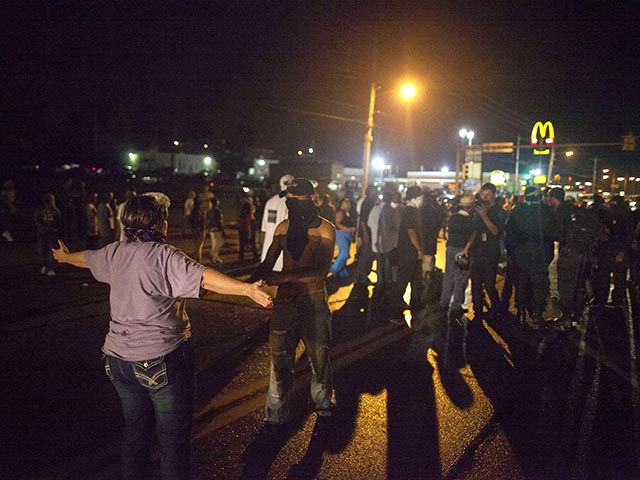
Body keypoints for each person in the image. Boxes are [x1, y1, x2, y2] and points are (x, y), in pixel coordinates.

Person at [52, 192, 272, 480]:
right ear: (158, 224)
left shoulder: (114, 253)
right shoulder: (164, 256)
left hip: (117, 361)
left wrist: (65, 257)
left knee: (135, 432)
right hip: (159, 359)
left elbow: (87, 259)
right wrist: (247, 289)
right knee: (172, 442)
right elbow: (204, 277)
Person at [249, 178, 336, 433]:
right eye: (289, 199)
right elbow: (267, 263)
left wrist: (282, 278)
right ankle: (275, 415)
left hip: (313, 301)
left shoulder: (325, 229)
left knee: (319, 356)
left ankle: (322, 405)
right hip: (285, 303)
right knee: (279, 360)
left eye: (297, 199)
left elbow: (320, 272)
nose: (292, 203)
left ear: (311, 198)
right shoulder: (283, 227)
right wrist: (246, 283)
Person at [504, 187, 554, 328]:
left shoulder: (517, 211)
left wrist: (511, 253)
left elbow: (510, 235)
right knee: (538, 285)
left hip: (521, 254)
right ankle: (536, 314)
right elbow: (552, 234)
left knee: (522, 283)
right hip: (540, 253)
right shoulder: (545, 212)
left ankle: (521, 312)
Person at [467, 183, 507, 325]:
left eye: (488, 195)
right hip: (477, 250)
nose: (485, 197)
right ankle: (478, 311)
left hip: (491, 251)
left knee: (489, 283)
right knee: (476, 282)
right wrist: (467, 247)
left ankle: (497, 308)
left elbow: (495, 231)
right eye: (483, 194)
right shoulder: (478, 209)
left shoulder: (499, 212)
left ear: (494, 195)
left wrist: (484, 215)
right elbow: (474, 231)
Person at [388, 185, 424, 314]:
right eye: (420, 197)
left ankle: (415, 301)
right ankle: (396, 301)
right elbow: (411, 231)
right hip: (409, 251)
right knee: (404, 276)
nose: (422, 199)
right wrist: (419, 249)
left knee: (416, 277)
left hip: (410, 250)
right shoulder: (410, 211)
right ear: (415, 198)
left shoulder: (412, 210)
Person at [439, 195, 475, 318]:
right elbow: (473, 236)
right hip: (462, 251)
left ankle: (444, 302)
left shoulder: (453, 218)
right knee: (461, 278)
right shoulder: (470, 221)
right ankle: (456, 305)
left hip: (450, 249)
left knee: (448, 276)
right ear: (469, 207)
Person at [261, 174, 294, 271]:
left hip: (269, 245)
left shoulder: (270, 202)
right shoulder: (291, 203)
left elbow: (264, 228)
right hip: (282, 248)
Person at [354, 185, 378, 284]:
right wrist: (366, 234)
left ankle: (361, 276)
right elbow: (363, 220)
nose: (375, 193)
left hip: (369, 232)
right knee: (366, 256)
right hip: (367, 233)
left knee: (367, 255)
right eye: (374, 191)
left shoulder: (371, 202)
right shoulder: (367, 203)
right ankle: (362, 277)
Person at [35, 192, 61, 276]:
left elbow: (58, 222)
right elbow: (37, 220)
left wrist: (55, 229)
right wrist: (41, 228)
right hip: (42, 233)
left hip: (52, 234)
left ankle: (51, 268)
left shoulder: (55, 210)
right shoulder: (40, 210)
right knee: (42, 250)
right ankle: (45, 265)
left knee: (51, 251)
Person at [330, 197, 356, 278]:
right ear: (341, 204)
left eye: (348, 202)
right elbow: (337, 223)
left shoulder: (347, 212)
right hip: (341, 234)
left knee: (343, 253)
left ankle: (341, 272)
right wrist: (349, 229)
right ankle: (334, 268)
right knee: (344, 254)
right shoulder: (341, 212)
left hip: (346, 234)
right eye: (346, 202)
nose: (348, 203)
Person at [238, 196, 258, 261]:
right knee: (252, 244)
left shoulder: (242, 216)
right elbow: (249, 225)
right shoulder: (248, 217)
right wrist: (249, 234)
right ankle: (255, 257)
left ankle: (241, 258)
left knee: (242, 245)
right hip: (248, 231)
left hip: (242, 231)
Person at [206, 197, 225, 264]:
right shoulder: (217, 211)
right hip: (217, 229)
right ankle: (214, 257)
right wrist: (222, 229)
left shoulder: (209, 211)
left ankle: (214, 255)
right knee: (219, 243)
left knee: (215, 243)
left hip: (212, 229)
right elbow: (219, 221)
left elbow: (208, 221)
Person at [189, 197, 207, 263]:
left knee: (197, 245)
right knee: (199, 246)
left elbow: (190, 222)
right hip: (199, 231)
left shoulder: (193, 212)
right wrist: (202, 230)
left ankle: (198, 258)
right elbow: (201, 222)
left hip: (194, 230)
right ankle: (196, 259)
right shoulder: (199, 212)